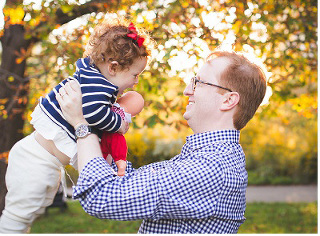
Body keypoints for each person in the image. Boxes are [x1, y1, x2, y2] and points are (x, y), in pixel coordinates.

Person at [56, 51, 267, 233]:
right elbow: (128, 182)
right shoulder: (208, 158)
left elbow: (101, 197)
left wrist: (81, 124)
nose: (187, 90)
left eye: (198, 82)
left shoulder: (210, 168)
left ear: (229, 100)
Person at [0, 17, 153, 233]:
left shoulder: (92, 75)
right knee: (17, 218)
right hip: (34, 161)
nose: (136, 82)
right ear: (113, 67)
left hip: (44, 160)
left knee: (30, 214)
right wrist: (118, 124)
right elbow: (93, 113)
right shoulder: (99, 88)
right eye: (135, 75)